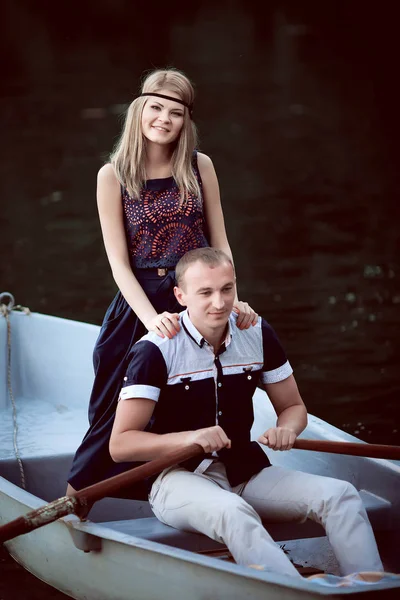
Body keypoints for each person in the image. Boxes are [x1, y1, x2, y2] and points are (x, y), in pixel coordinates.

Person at [109, 247, 384, 578]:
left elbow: (293, 408)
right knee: (234, 512)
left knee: (340, 495)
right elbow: (121, 444)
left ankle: (371, 587)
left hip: (244, 472)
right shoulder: (154, 350)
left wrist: (288, 429)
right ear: (180, 295)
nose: (220, 303)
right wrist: (191, 438)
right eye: (205, 292)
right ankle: (294, 593)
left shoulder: (257, 333)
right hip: (177, 479)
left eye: (227, 289)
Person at [67, 68, 257, 496]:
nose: (164, 119)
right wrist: (153, 320)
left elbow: (220, 243)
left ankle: (218, 491)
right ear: (139, 111)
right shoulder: (112, 175)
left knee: (202, 398)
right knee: (113, 411)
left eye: (175, 112)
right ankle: (77, 503)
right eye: (155, 108)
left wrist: (231, 300)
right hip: (142, 306)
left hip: (198, 295)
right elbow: (118, 264)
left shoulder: (199, 166)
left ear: (186, 121)